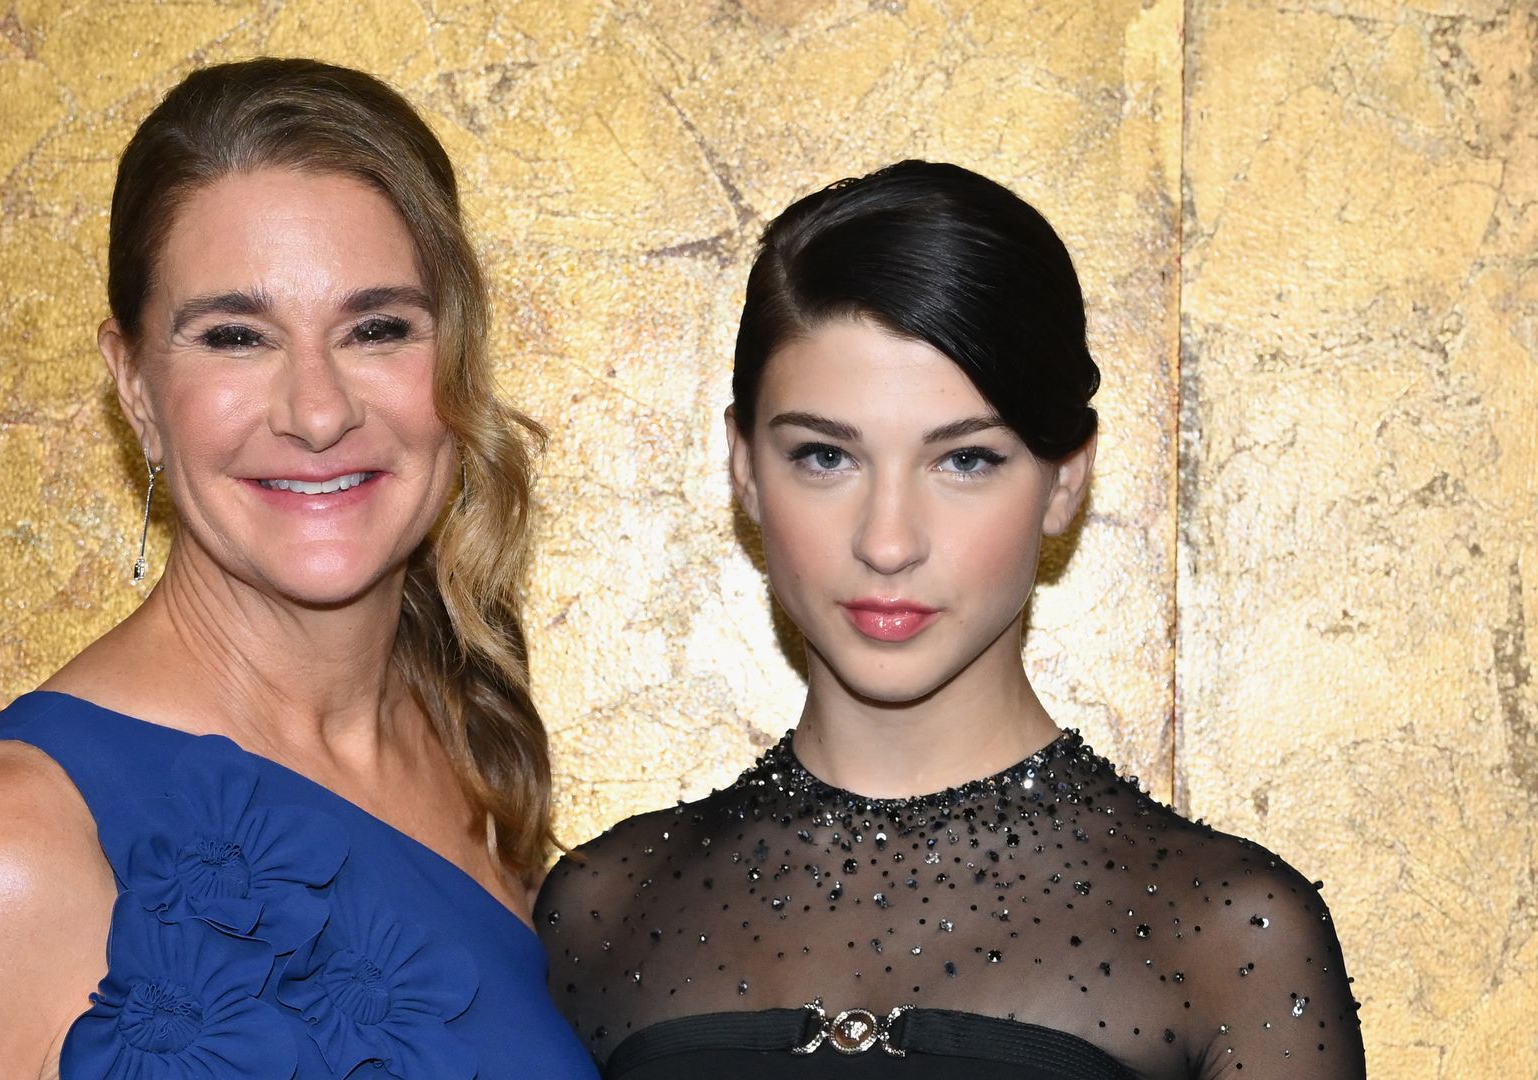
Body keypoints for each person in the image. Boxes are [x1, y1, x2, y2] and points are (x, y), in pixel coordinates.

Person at [0, 58, 596, 1080]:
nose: (319, 410)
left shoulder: (473, 750)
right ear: (136, 386)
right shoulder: (6, 843)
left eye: (378, 328)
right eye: (235, 337)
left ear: (456, 358)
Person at [534, 161, 1364, 1079]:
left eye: (964, 460)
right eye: (824, 455)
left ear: (1065, 480)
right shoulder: (603, 911)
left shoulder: (1228, 937)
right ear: (743, 466)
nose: (888, 543)